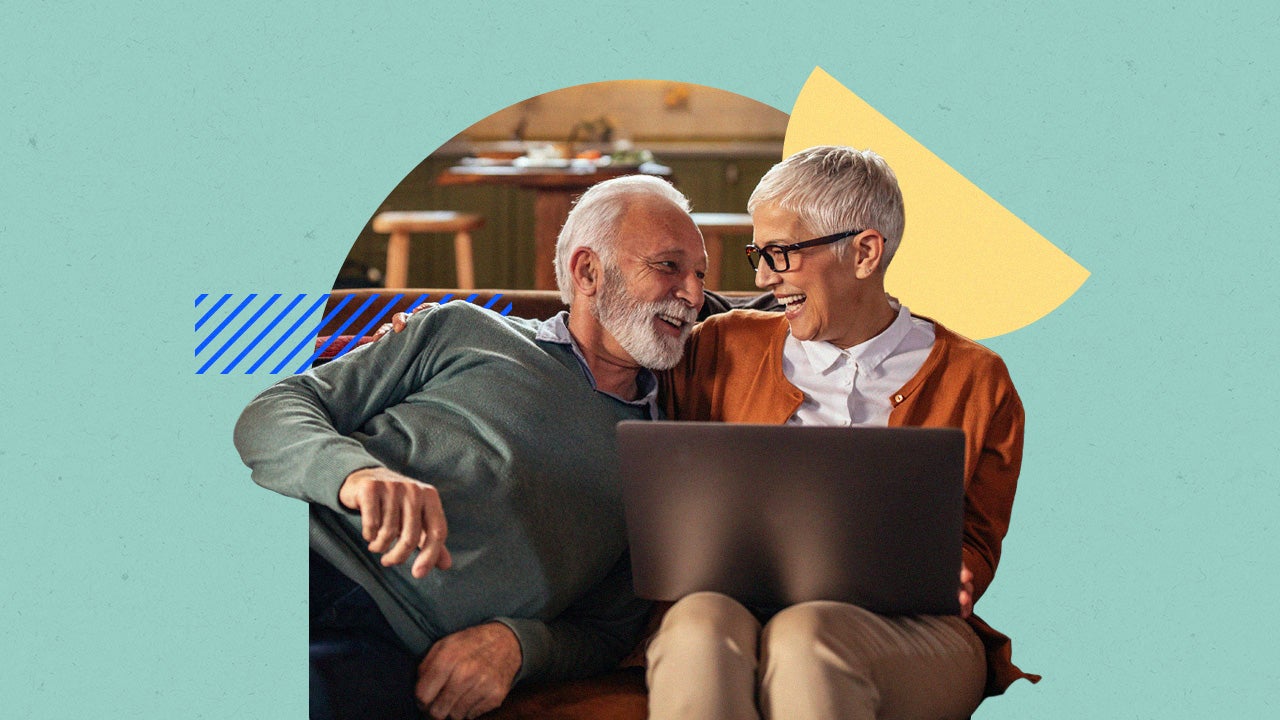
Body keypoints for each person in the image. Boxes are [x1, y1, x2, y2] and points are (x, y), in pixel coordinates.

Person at [233, 174, 707, 720]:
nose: (693, 295)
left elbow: (607, 630)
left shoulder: (665, 462)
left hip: (383, 643)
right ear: (588, 271)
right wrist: (354, 474)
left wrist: (517, 645)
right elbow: (273, 409)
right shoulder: (464, 330)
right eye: (669, 266)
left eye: (700, 275)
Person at [647, 146, 1039, 720]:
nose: (761, 277)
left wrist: (958, 571)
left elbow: (977, 539)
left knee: (808, 637)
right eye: (761, 254)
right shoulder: (718, 346)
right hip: (736, 605)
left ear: (864, 252)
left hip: (911, 632)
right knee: (695, 627)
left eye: (780, 254)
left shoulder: (976, 379)